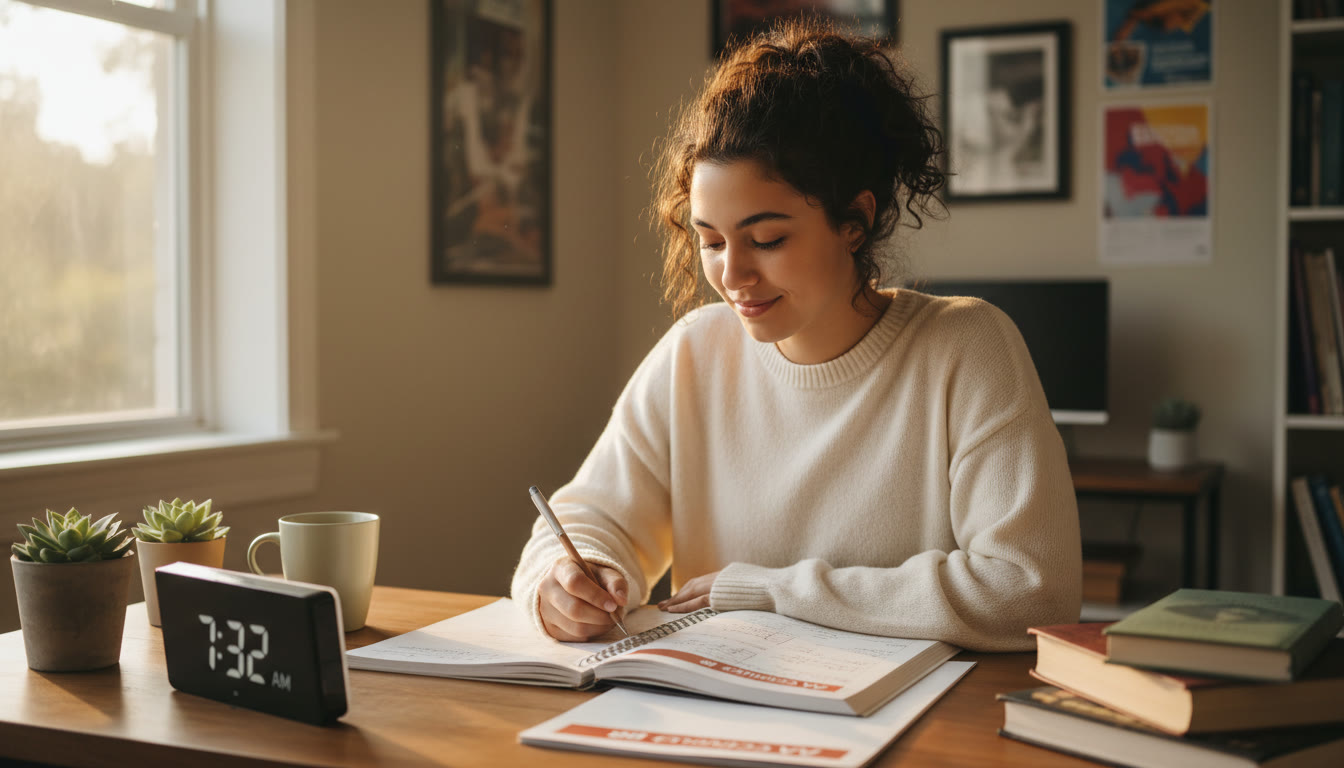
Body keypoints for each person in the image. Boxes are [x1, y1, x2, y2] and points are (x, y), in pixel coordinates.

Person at [511, 18, 1081, 652]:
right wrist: (566, 578)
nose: (732, 275)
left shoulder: (967, 346)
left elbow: (1032, 588)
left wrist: (775, 588)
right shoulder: (695, 353)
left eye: (767, 240)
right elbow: (588, 519)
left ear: (855, 221)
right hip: (721, 713)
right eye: (711, 241)